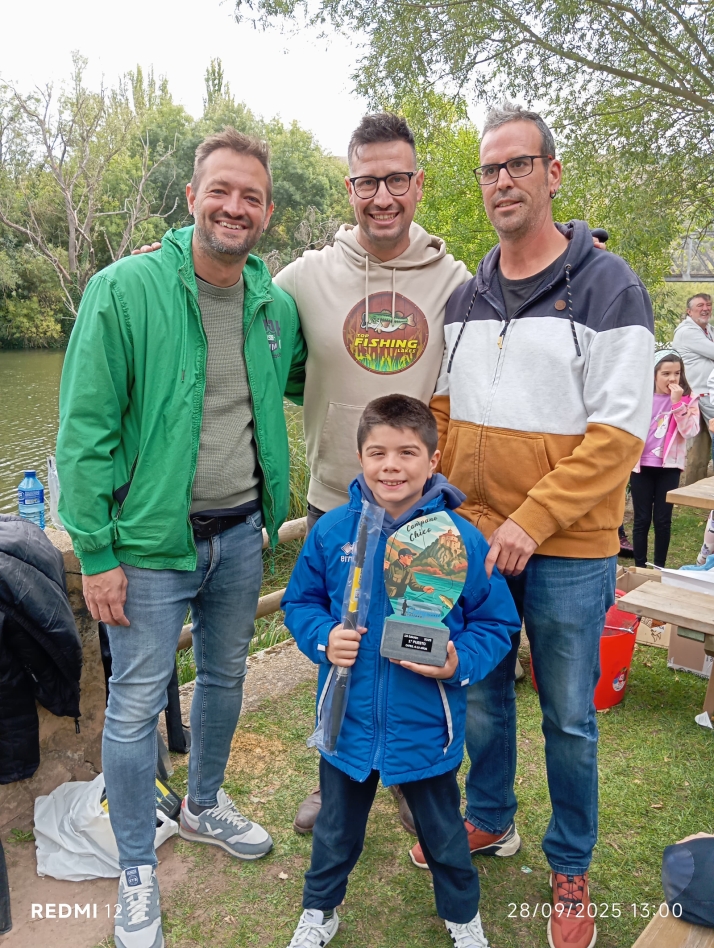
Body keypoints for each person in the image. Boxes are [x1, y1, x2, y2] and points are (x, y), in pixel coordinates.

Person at [56, 128, 307, 948]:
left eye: (252, 196)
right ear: (192, 197)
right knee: (133, 708)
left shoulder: (274, 305)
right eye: (221, 190)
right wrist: (95, 551)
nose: (235, 207)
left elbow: (304, 382)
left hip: (241, 536)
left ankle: (202, 805)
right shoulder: (123, 289)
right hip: (148, 545)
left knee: (226, 678)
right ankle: (136, 870)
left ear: (268, 211)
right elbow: (84, 432)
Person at [426, 102, 654, 948]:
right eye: (490, 170)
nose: (502, 182)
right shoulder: (466, 293)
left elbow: (618, 435)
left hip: (567, 549)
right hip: (480, 540)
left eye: (518, 165)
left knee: (567, 713)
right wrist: (443, 504)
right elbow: (445, 415)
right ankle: (490, 816)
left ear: (553, 174)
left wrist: (531, 518)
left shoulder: (609, 285)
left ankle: (570, 865)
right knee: (480, 692)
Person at [281, 394, 520, 948]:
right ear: (360, 459)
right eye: (378, 452)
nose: (392, 465)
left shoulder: (460, 538)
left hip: (425, 727)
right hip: (347, 723)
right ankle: (320, 911)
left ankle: (463, 919)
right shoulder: (332, 531)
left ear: (433, 462)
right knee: (336, 831)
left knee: (443, 834)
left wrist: (460, 660)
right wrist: (323, 639)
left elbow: (496, 623)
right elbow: (300, 604)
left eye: (408, 452)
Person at [630, 351, 699, 567]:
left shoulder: (688, 400)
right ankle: (639, 566)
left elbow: (690, 431)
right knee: (641, 520)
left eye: (677, 373)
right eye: (666, 373)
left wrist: (678, 405)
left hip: (669, 468)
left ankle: (659, 567)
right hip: (640, 466)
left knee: (662, 520)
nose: (672, 379)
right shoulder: (640, 397)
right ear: (653, 375)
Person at [672, 293, 714, 463]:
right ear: (689, 311)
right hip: (703, 394)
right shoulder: (687, 332)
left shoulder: (708, 329)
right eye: (700, 305)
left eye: (708, 305)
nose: (705, 308)